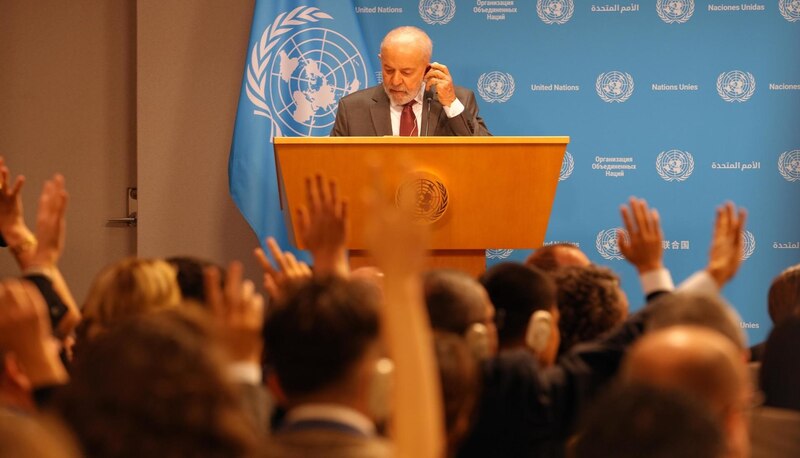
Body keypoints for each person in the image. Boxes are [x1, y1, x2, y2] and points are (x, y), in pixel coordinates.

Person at [330, 26, 490, 137]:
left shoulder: (459, 101)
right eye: (389, 70)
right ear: (381, 61)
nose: (395, 80)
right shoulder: (352, 109)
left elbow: (486, 154)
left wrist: (450, 103)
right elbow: (334, 164)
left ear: (427, 69)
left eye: (406, 72)